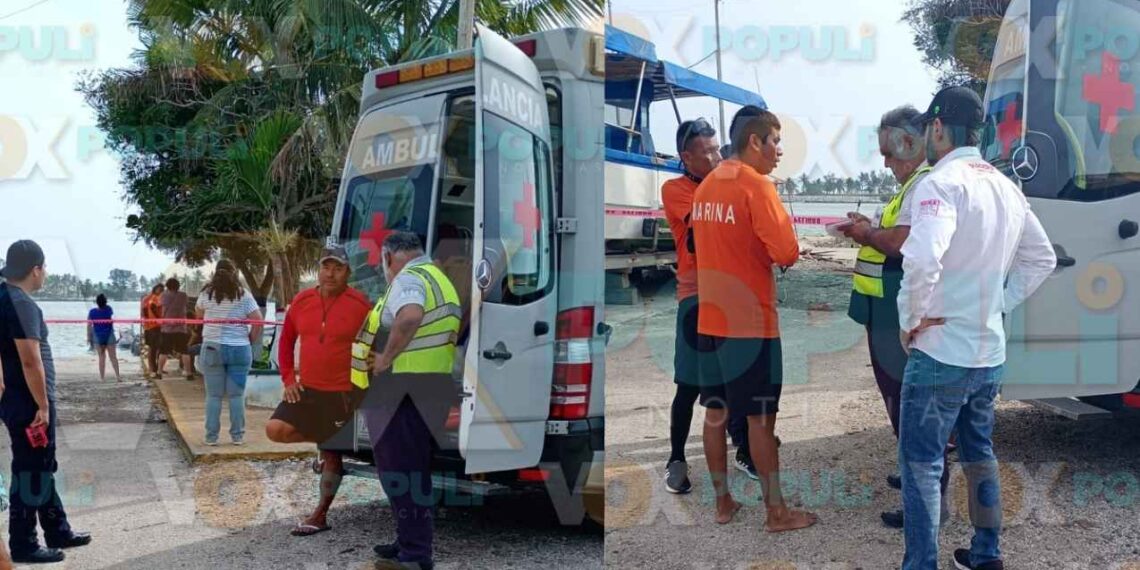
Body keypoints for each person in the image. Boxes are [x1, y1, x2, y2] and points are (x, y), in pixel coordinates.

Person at [897, 86, 1056, 570]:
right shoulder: (1007, 187)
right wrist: (1000, 303)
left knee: (922, 464)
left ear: (939, 128)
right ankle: (987, 553)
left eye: (928, 127)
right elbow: (1042, 258)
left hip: (942, 352)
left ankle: (921, 564)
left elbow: (923, 258)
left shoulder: (940, 183)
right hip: (989, 353)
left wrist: (910, 320)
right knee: (979, 454)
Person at [690, 106, 816, 531]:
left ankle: (723, 504)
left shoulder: (706, 186)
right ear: (755, 141)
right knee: (761, 420)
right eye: (776, 141)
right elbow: (786, 252)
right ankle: (776, 512)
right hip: (750, 327)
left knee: (715, 412)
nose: (779, 151)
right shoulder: (757, 187)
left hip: (709, 322)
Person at [840, 105, 949, 529]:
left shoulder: (923, 185)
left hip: (895, 314)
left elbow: (902, 244)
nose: (884, 161)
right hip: (883, 310)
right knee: (900, 400)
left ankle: (922, 499)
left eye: (888, 151)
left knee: (907, 404)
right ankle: (912, 471)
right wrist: (870, 228)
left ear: (909, 142)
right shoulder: (912, 185)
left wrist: (867, 234)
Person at [351, 232, 462, 569]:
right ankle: (408, 542)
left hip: (404, 389)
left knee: (399, 471)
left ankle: (415, 554)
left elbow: (410, 316)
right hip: (428, 387)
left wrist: (385, 357)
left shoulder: (409, 278)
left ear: (388, 257)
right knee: (412, 470)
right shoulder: (438, 278)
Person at [659, 119, 756, 495]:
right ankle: (676, 459)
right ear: (686, 157)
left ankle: (745, 450)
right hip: (697, 297)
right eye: (708, 151)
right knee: (689, 384)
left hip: (732, 296)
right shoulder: (676, 190)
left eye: (719, 148)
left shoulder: (727, 185)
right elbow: (704, 226)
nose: (717, 156)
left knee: (738, 379)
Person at [265, 245, 371, 537]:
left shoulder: (361, 304)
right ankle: (328, 442)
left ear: (347, 272)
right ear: (318, 270)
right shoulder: (301, 301)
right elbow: (285, 343)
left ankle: (320, 514)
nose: (331, 273)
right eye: (326, 267)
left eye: (338, 268)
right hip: (307, 389)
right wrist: (289, 379)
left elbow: (377, 342)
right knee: (275, 429)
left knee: (333, 457)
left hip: (342, 393)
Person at [0, 240, 91, 564]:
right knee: (30, 471)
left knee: (40, 467)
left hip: (15, 398)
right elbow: (29, 360)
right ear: (35, 269)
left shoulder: (2, 297)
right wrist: (43, 405)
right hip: (29, 404)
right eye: (45, 267)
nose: (46, 274)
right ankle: (24, 543)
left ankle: (57, 529)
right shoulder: (21, 303)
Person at [193, 260, 263, 446]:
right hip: (240, 349)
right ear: (234, 274)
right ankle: (237, 436)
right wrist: (250, 340)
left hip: (212, 348)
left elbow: (198, 315)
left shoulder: (206, 294)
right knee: (236, 395)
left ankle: (211, 437)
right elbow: (258, 320)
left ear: (215, 273)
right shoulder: (244, 295)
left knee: (214, 395)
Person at [159, 277, 192, 380]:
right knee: (184, 351)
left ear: (167, 286)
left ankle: (159, 372)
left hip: (167, 327)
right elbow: (185, 306)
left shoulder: (164, 295)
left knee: (163, 351)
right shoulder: (183, 295)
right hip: (181, 327)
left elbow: (163, 310)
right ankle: (189, 373)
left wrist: (162, 320)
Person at [86, 294, 122, 382]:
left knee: (102, 357)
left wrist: (88, 336)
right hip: (109, 334)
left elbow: (89, 325)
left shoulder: (92, 312)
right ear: (105, 302)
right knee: (113, 357)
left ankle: (102, 378)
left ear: (97, 302)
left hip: (98, 336)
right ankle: (118, 376)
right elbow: (112, 317)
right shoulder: (109, 309)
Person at [140, 284, 164, 378]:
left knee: (159, 348)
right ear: (155, 289)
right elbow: (144, 311)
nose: (161, 291)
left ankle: (157, 368)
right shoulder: (149, 298)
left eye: (162, 289)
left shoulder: (157, 298)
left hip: (158, 326)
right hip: (151, 327)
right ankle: (151, 369)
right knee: (152, 348)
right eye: (160, 289)